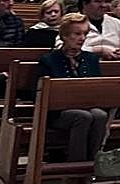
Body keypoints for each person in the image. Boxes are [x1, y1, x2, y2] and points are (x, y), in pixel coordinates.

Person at [36, 13, 109, 162]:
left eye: (84, 34)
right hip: (57, 112)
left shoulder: (91, 59)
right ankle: (77, 165)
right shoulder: (49, 60)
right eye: (77, 34)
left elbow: (97, 87)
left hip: (86, 105)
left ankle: (92, 162)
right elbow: (37, 92)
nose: (82, 38)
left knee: (100, 115)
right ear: (64, 36)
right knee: (83, 116)